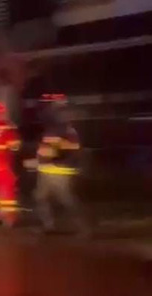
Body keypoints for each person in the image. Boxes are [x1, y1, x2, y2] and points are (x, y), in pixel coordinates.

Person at [34, 93, 89, 237]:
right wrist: (40, 156)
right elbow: (46, 145)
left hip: (61, 170)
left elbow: (74, 146)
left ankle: (83, 227)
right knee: (41, 197)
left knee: (67, 200)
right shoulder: (51, 128)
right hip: (46, 168)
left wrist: (56, 146)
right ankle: (48, 226)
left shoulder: (67, 129)